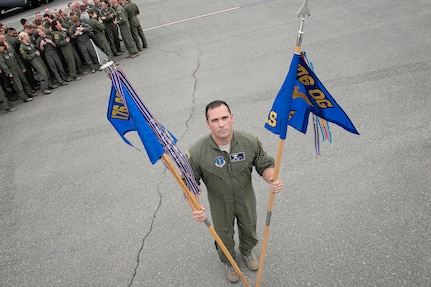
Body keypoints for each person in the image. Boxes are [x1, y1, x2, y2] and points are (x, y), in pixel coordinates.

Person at [187, 100, 283, 283]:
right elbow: (190, 183)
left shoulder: (249, 141)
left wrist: (273, 179)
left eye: (224, 118)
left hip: (245, 195)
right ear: (208, 123)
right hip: (219, 200)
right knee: (223, 233)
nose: (221, 124)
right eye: (215, 120)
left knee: (249, 225)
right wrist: (195, 206)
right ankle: (229, 261)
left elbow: (265, 165)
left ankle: (247, 251)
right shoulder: (197, 152)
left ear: (232, 118)